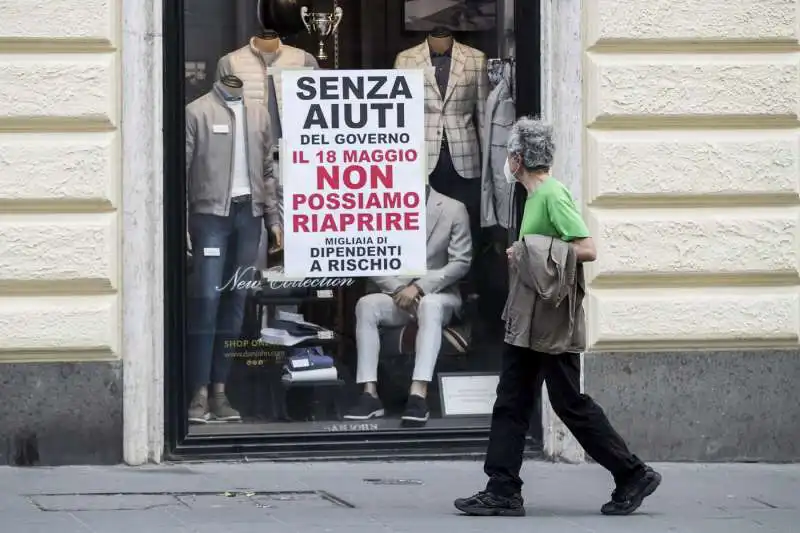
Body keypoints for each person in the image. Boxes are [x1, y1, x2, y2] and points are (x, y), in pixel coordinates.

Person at [454, 117, 661, 517]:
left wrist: (527, 250)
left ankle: (632, 473)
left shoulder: (551, 194)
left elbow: (586, 247)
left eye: (508, 156)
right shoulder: (533, 196)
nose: (506, 163)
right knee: (512, 399)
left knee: (569, 403)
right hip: (529, 316)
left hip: (550, 319)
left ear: (516, 159)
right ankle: (502, 489)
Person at [344, 187, 472, 426]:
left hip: (438, 295)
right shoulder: (378, 204)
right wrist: (398, 289)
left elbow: (461, 262)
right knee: (365, 305)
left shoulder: (453, 208)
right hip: (398, 295)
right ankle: (369, 393)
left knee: (430, 306)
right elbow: (369, 257)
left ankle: (418, 393)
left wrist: (420, 287)